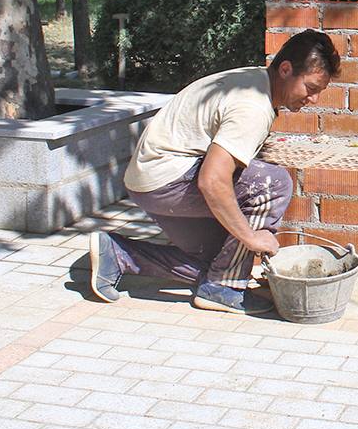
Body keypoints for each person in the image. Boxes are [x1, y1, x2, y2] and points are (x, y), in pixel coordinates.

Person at [88, 30, 340, 315]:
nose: (315, 99)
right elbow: (212, 180)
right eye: (311, 87)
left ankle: (120, 254)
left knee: (220, 260)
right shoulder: (253, 107)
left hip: (150, 179)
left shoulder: (257, 81)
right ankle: (223, 289)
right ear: (286, 70)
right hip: (166, 180)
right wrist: (250, 237)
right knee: (274, 184)